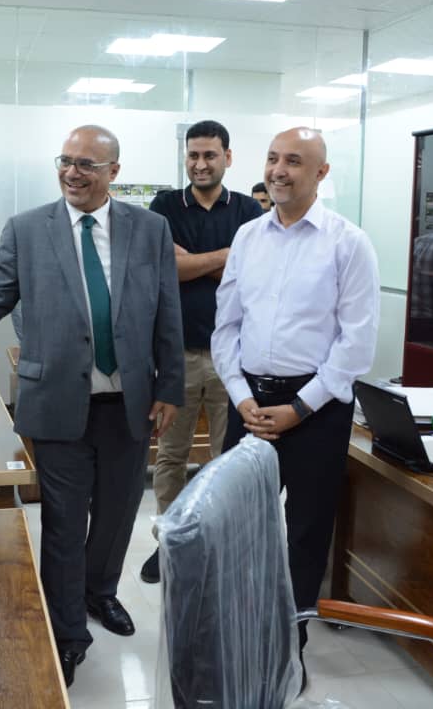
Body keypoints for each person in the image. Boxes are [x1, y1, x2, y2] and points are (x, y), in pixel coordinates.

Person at [0, 125, 184, 687]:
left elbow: (166, 310)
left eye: (87, 165)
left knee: (119, 513)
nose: (72, 173)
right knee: (64, 523)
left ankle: (100, 593)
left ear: (114, 172)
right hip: (57, 403)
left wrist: (170, 386)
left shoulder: (149, 229)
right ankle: (68, 632)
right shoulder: (28, 230)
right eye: (66, 161)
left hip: (129, 404)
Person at [212, 127, 379, 648]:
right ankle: (242, 637)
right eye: (272, 158)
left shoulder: (348, 243)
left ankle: (291, 644)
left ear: (321, 173)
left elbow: (356, 344)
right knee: (237, 526)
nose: (278, 171)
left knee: (306, 532)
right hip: (249, 404)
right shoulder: (247, 237)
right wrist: (242, 397)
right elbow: (226, 327)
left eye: (293, 161)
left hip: (316, 408)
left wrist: (300, 408)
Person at [141, 120, 263, 583]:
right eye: (193, 155)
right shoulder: (165, 206)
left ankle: (216, 545)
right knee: (171, 456)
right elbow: (165, 269)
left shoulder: (249, 208)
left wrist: (190, 260)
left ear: (227, 158)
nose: (200, 164)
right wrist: (226, 257)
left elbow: (252, 274)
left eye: (210, 155)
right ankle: (171, 543)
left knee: (226, 460)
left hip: (235, 358)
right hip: (178, 356)